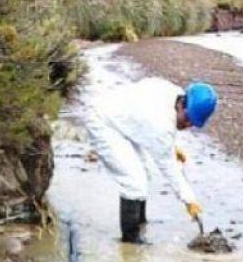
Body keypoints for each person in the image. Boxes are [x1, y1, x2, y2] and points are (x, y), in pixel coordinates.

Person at [85, 78, 218, 243]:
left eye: (193, 123)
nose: (188, 125)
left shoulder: (173, 93)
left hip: (121, 120)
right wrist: (189, 201)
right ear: (182, 104)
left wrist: (170, 147)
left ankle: (140, 224)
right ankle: (130, 243)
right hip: (103, 122)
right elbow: (170, 169)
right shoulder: (160, 123)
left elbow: (149, 123)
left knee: (145, 174)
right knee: (133, 182)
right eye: (188, 118)